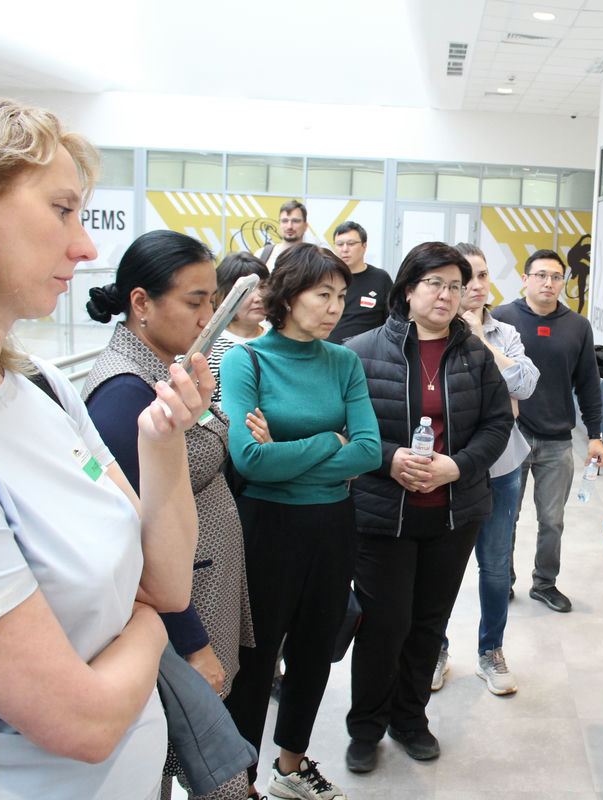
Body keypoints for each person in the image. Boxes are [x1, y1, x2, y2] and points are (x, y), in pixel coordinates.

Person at [0, 92, 210, 796]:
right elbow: (82, 723)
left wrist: (162, 441)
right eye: (62, 210)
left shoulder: (39, 386)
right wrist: (148, 623)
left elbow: (166, 583)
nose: (87, 247)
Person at [82, 229, 254, 800]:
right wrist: (192, 643)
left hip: (201, 584)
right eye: (195, 301)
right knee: (166, 745)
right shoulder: (122, 394)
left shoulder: (166, 372)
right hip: (180, 609)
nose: (208, 317)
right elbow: (136, 546)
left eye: (213, 301)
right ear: (142, 303)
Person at [220, 243, 382, 800]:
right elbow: (249, 460)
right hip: (267, 527)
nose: (336, 307)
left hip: (333, 526)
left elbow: (368, 450)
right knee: (255, 657)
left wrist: (286, 454)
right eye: (323, 295)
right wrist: (328, 441)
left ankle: (290, 767)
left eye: (341, 296)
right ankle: (240, 782)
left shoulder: (344, 362)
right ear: (288, 297)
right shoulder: (246, 360)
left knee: (314, 650)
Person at [343, 242, 513, 773]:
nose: (446, 295)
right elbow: (344, 425)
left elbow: (497, 425)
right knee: (383, 625)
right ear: (409, 289)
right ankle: (366, 727)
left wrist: (457, 467)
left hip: (453, 514)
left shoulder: (475, 355)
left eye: (455, 286)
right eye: (434, 283)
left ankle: (410, 719)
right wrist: (389, 459)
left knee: (428, 623)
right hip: (383, 512)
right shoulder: (361, 351)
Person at [433, 241, 539, 695]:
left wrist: (479, 340)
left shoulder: (504, 332)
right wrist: (500, 397)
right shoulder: (432, 331)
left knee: (495, 566)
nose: (475, 286)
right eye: (465, 279)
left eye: (482, 276)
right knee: (439, 567)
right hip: (446, 466)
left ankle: (490, 651)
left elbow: (525, 386)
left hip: (501, 467)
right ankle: (434, 650)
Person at [491, 248, 603, 613]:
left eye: (556, 277)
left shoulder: (577, 326)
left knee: (552, 521)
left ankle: (544, 584)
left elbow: (588, 383)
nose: (548, 283)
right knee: (505, 517)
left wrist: (595, 435)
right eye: (541, 275)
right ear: (525, 279)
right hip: (511, 436)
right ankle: (502, 581)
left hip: (557, 441)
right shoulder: (502, 319)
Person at [207, 251, 270, 403]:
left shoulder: (278, 339)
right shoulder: (207, 348)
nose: (259, 297)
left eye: (263, 286)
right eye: (249, 289)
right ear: (223, 294)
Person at [326, 221, 393, 343]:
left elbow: (393, 319)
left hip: (367, 350)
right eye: (340, 244)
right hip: (330, 349)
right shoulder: (327, 278)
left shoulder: (380, 278)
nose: (345, 249)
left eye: (351, 244)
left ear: (364, 246)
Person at [255, 200, 308, 269]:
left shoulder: (314, 259)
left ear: (305, 226)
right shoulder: (261, 254)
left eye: (295, 221)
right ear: (279, 224)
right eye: (285, 221)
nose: (289, 226)